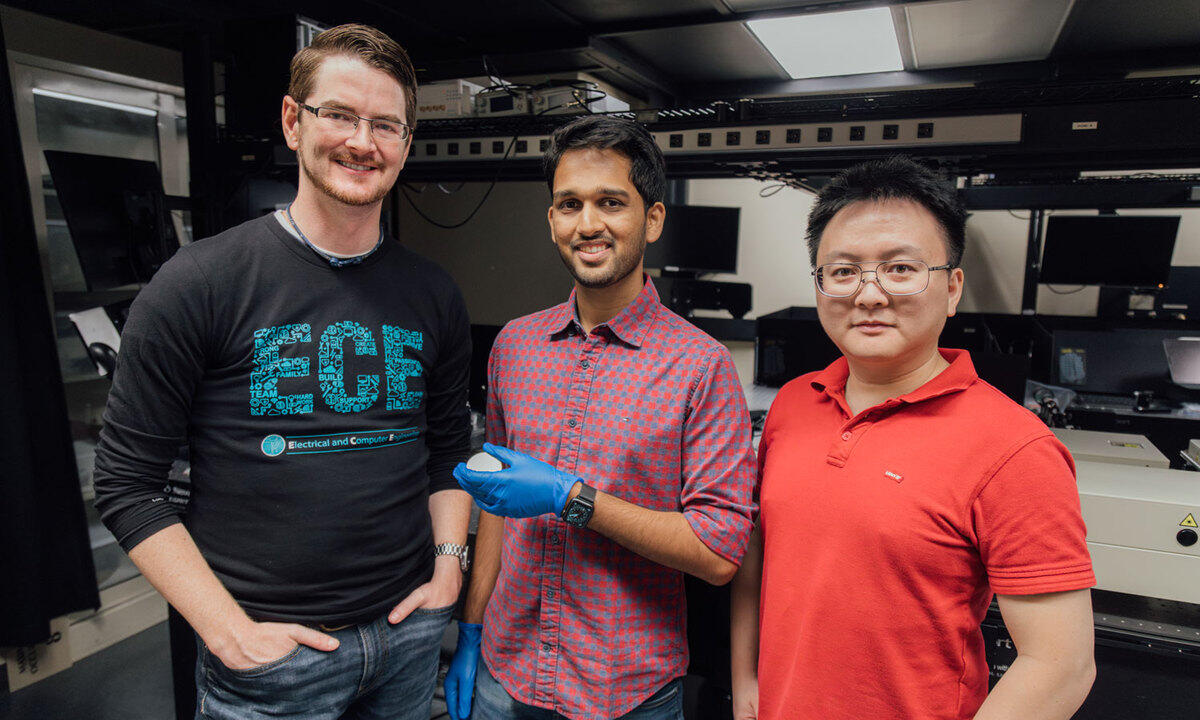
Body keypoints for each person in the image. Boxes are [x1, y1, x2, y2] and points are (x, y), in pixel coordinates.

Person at [92, 23, 473, 719]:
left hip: (410, 637)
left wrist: (450, 568)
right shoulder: (199, 283)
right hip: (273, 664)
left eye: (386, 125)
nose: (363, 141)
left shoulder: (434, 293)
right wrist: (227, 632)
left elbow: (447, 454)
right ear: (293, 121)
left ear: (406, 143)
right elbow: (125, 483)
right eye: (340, 115)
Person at [729, 155, 1096, 720]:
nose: (868, 294)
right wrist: (746, 682)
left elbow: (1060, 667)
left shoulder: (1015, 449)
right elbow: (759, 555)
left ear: (951, 289)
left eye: (900, 268)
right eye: (843, 271)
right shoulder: (793, 403)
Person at [444, 115, 757, 720]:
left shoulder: (701, 366)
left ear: (653, 219)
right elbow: (495, 502)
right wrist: (472, 628)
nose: (588, 224)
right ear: (552, 221)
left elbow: (719, 553)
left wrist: (572, 498)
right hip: (505, 674)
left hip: (624, 690)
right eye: (570, 204)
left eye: (611, 202)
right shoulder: (515, 346)